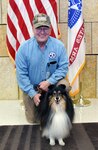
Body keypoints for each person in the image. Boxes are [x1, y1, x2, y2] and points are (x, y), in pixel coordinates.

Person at [15, 13, 69, 123]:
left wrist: (49, 82)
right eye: (39, 28)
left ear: (50, 29)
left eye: (45, 28)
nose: (42, 32)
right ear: (33, 28)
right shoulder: (23, 49)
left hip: (52, 86)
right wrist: (33, 94)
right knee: (34, 120)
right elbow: (21, 75)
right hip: (33, 87)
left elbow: (63, 67)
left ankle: (60, 111)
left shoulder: (59, 46)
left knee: (66, 86)